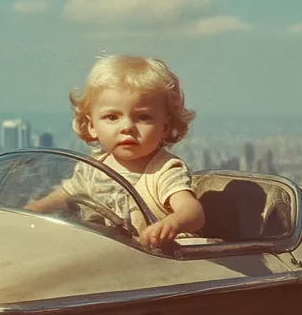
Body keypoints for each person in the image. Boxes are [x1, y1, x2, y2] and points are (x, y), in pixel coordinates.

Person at [25, 54, 205, 248]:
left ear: (165, 127)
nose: (127, 127)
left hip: (158, 262)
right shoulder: (93, 167)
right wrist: (31, 210)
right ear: (92, 125)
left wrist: (171, 224)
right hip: (106, 256)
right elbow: (63, 196)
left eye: (143, 117)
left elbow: (192, 212)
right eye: (112, 117)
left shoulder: (163, 171)